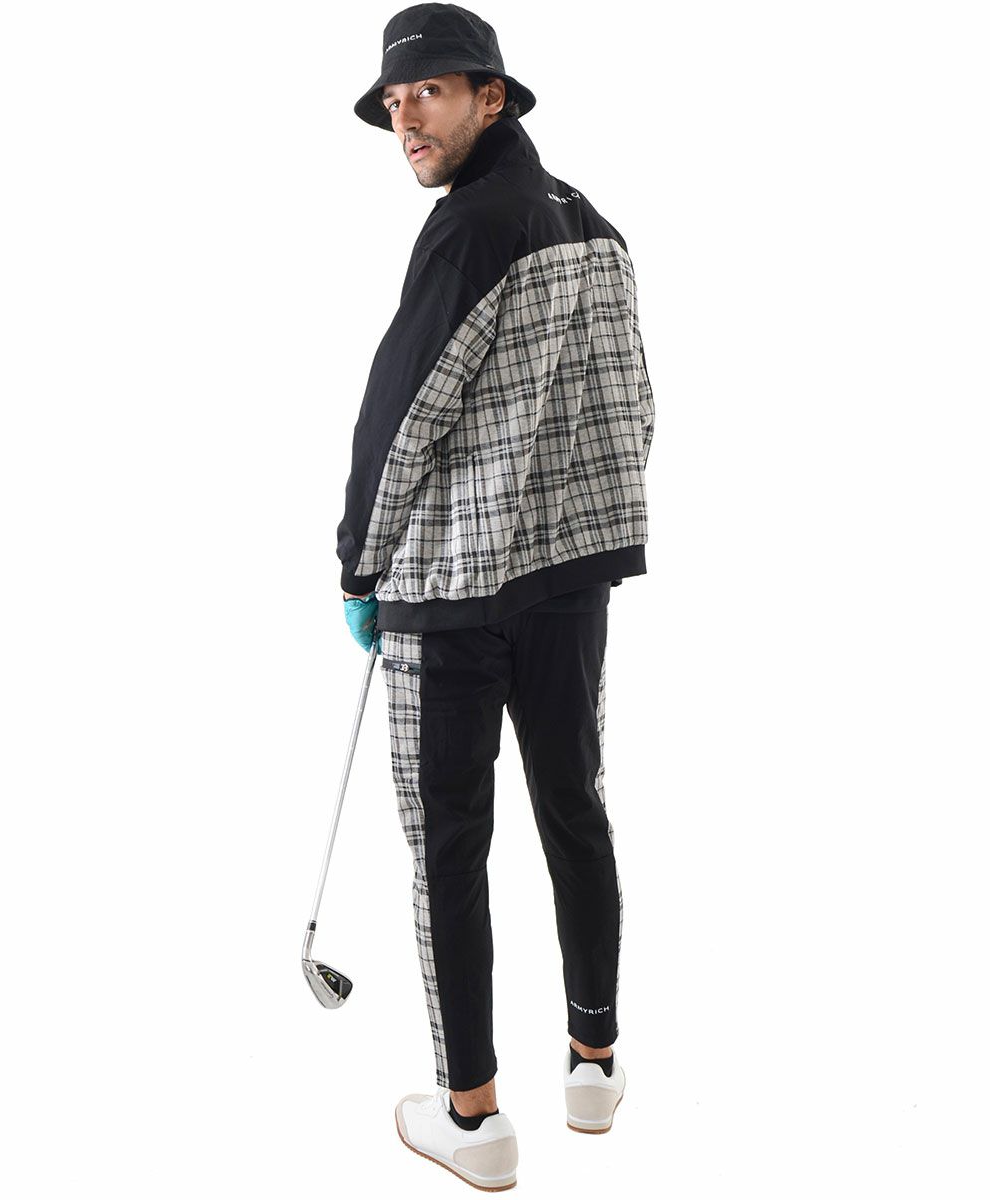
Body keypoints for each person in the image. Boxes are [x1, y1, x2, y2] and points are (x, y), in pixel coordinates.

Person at [336, 3, 654, 1187]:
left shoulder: (470, 229)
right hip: (570, 585)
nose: (405, 118)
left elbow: (401, 412)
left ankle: (472, 1118)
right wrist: (585, 538)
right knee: (575, 806)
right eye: (393, 101)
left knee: (448, 848)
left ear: (493, 96)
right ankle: (593, 1063)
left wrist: (358, 561)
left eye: (428, 91)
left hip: (451, 595)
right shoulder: (593, 222)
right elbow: (635, 404)